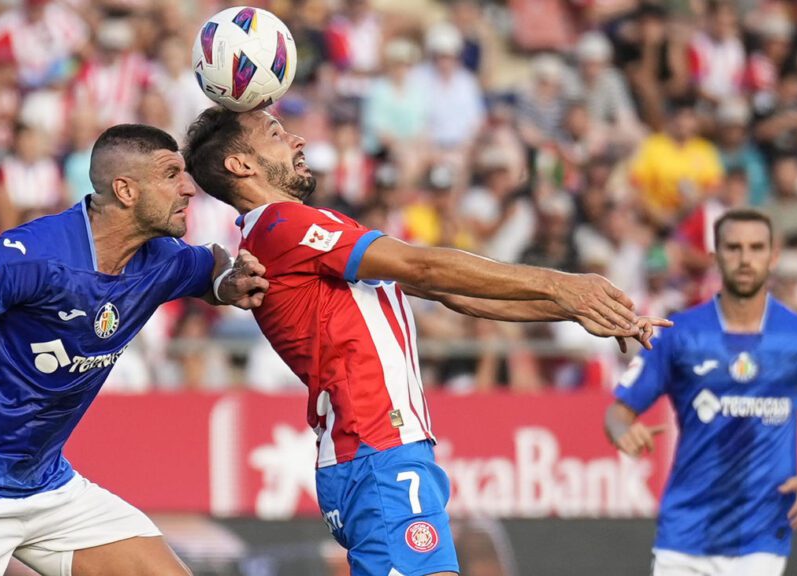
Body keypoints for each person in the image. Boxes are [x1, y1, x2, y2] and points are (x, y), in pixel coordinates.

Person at [182, 107, 668, 576]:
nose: (297, 139)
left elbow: (448, 291)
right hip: (376, 447)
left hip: (381, 449)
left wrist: (582, 310)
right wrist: (561, 284)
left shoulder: (297, 233)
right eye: (275, 133)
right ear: (240, 165)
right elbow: (424, 265)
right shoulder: (284, 226)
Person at [0, 124, 268, 576]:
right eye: (171, 175)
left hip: (44, 487)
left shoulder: (162, 259)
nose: (188, 188)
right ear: (125, 190)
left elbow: (212, 266)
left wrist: (229, 282)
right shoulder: (27, 256)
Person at [605, 208, 797, 576]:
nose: (745, 259)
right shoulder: (680, 332)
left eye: (756, 248)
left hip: (761, 533)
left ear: (773, 256)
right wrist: (623, 432)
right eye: (733, 248)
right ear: (715, 256)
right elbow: (617, 413)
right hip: (685, 532)